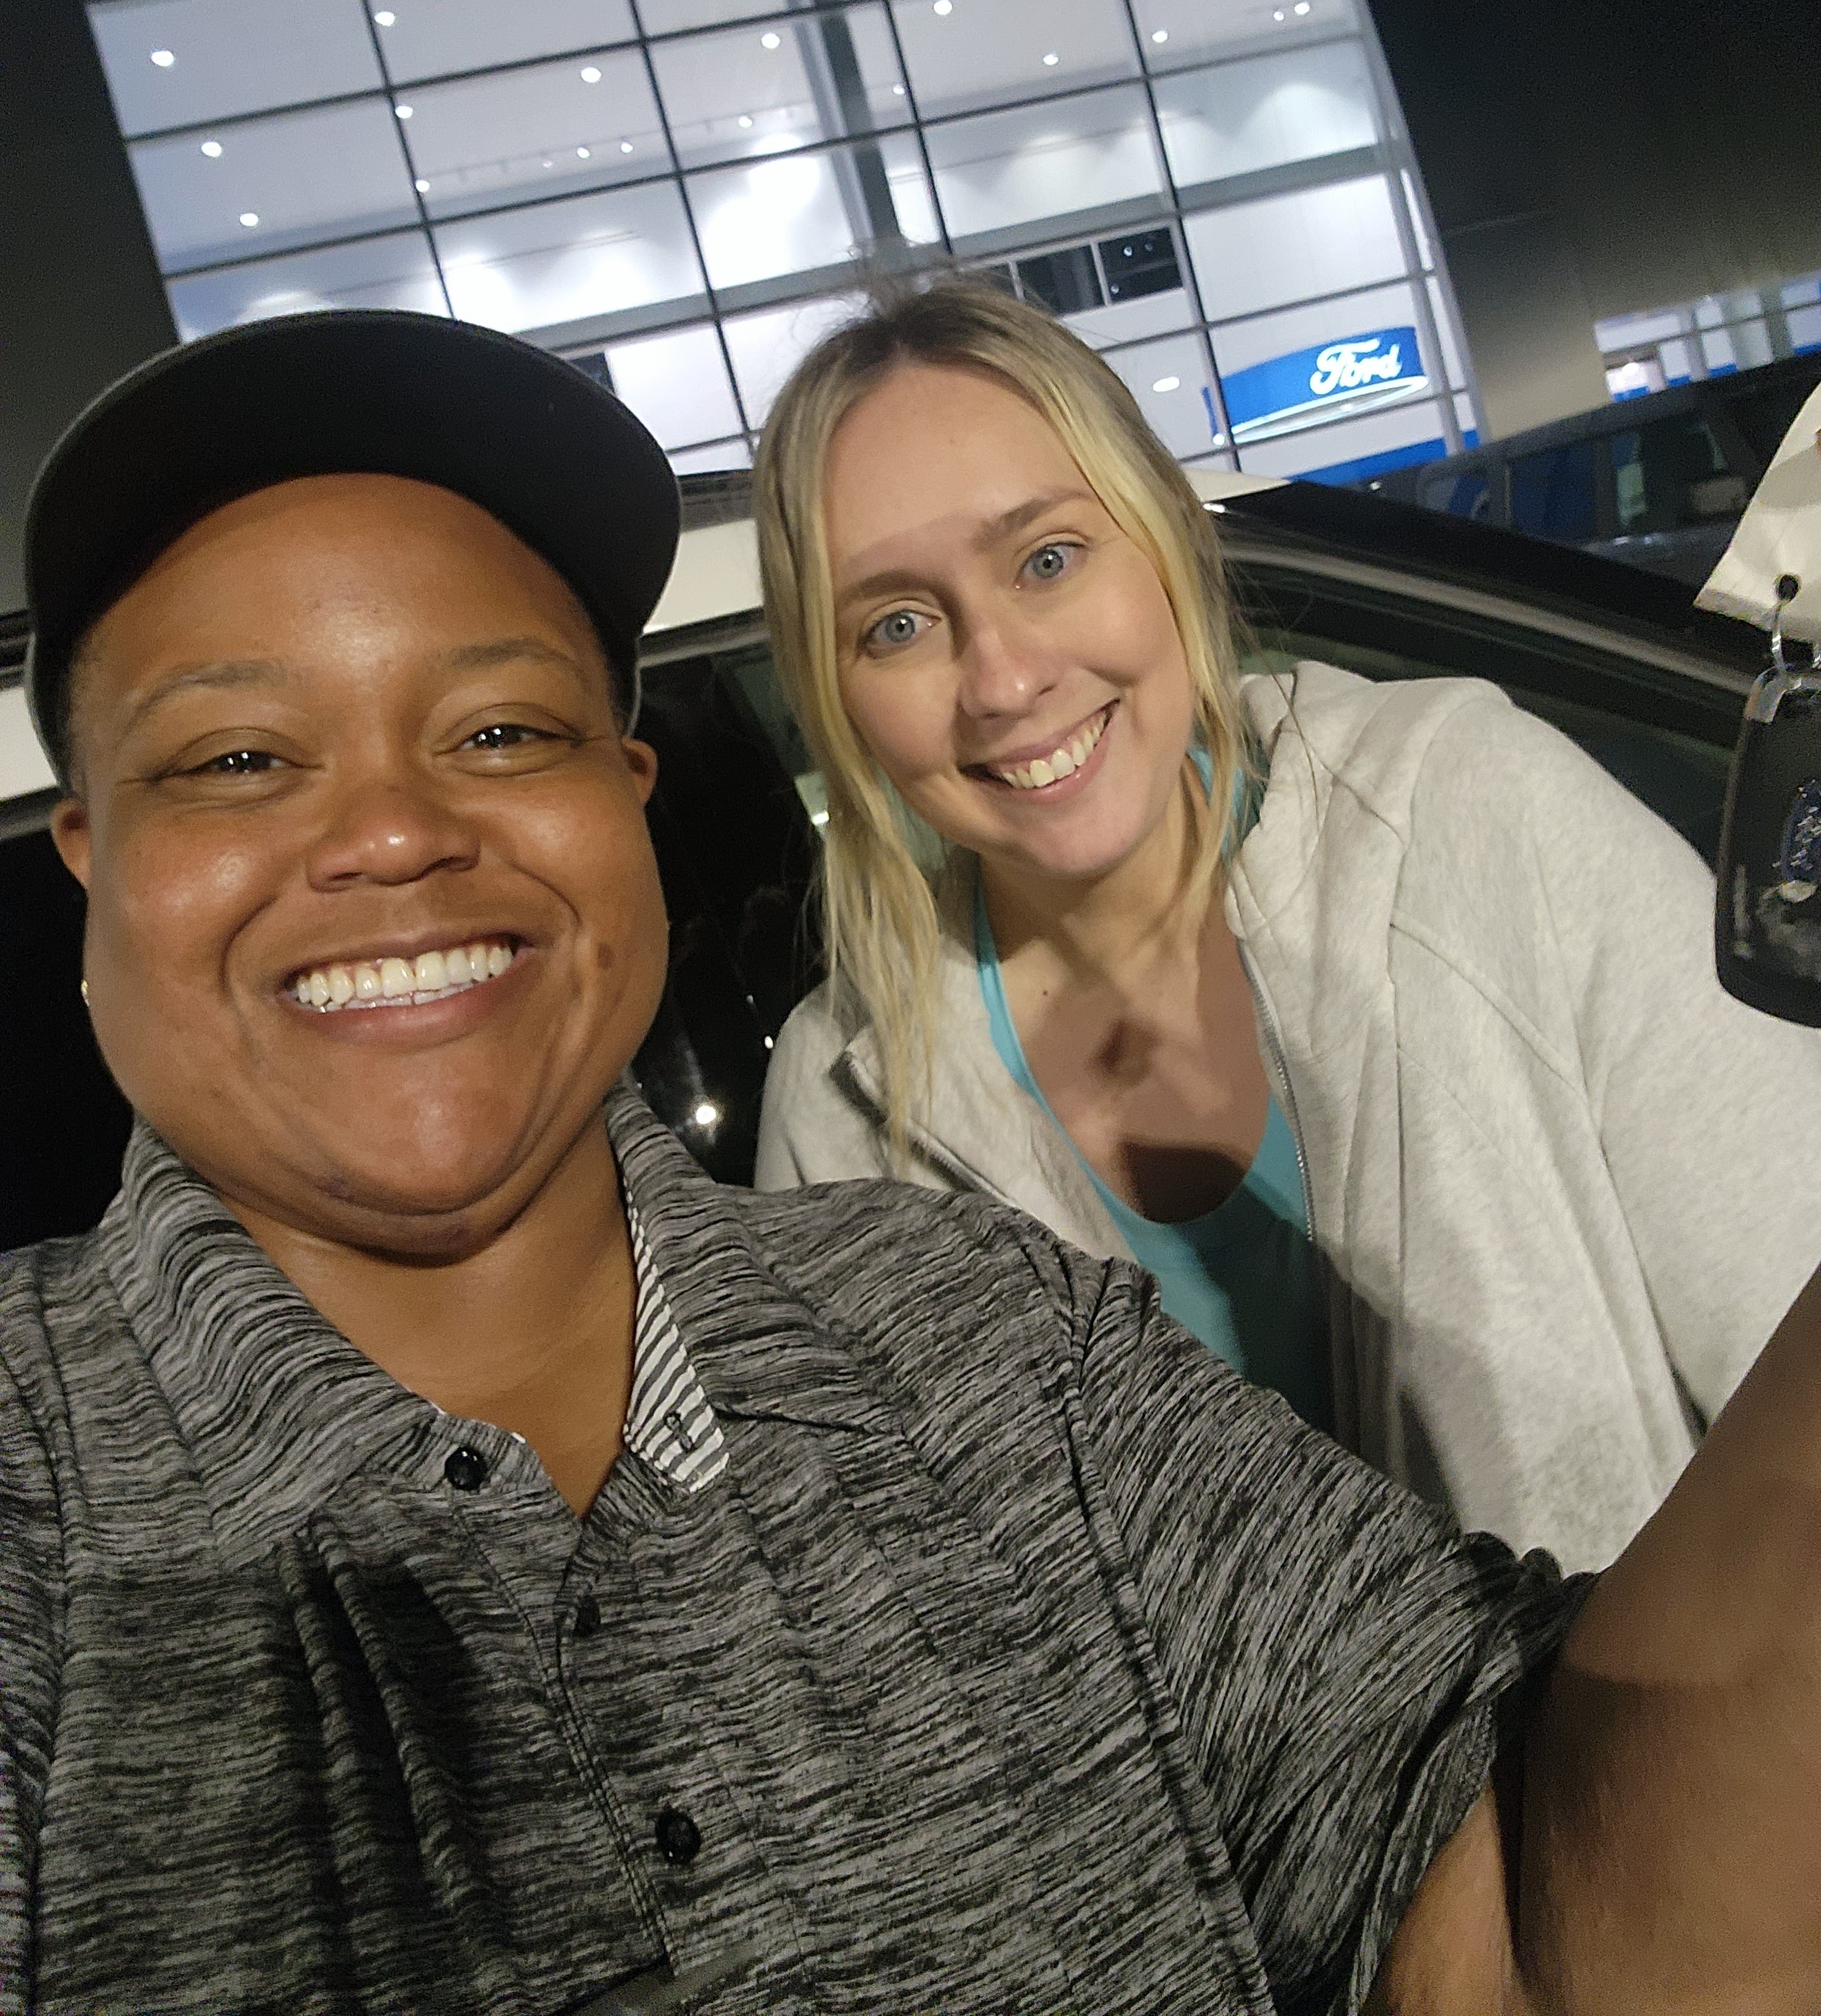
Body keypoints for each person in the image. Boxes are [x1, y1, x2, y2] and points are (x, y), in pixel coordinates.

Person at [4, 305, 1821, 2016]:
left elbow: (1518, 1877)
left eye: (500, 732)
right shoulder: (858, 1102)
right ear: (89, 857)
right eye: (237, 759)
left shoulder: (981, 1336)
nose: (394, 831)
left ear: (628, 796)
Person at [752, 278, 1821, 1569]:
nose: (1005, 679)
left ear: (1164, 535)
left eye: (1048, 558)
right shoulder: (842, 1104)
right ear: (837, 697)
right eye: (897, 625)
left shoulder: (1469, 813)